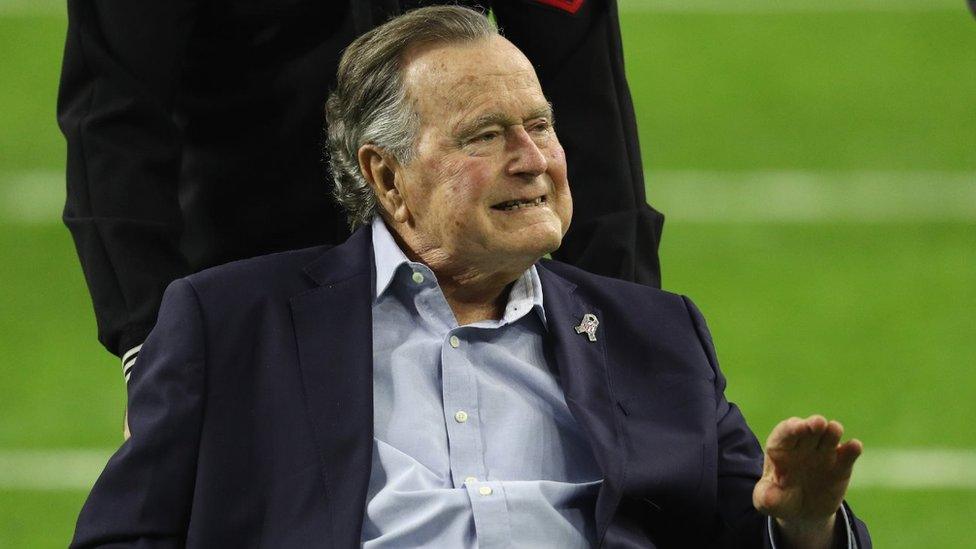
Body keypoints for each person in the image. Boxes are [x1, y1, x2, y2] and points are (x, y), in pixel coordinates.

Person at [71, 7, 869, 548]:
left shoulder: (650, 336)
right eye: (487, 135)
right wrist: (151, 342)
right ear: (385, 180)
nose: (532, 158)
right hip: (258, 245)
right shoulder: (230, 336)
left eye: (541, 127)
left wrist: (803, 527)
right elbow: (116, 98)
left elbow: (763, 523)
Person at [58, 0, 664, 386]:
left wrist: (621, 325)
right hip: (253, 272)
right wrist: (153, 346)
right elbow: (117, 109)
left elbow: (586, 100)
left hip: (461, 274)